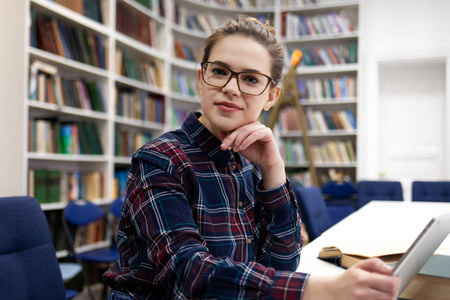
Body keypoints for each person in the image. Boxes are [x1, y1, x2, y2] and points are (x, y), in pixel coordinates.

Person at [103, 15, 402, 300]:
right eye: (219, 71)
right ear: (200, 78)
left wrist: (273, 169)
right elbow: (188, 273)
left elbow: (282, 262)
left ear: (271, 96)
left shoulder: (251, 162)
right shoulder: (160, 160)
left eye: (250, 79)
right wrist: (319, 290)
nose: (231, 88)